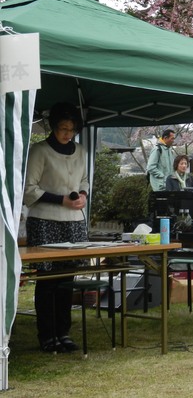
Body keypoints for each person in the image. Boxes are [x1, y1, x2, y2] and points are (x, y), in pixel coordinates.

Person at [23, 102, 89, 353]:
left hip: (73, 223)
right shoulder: (39, 151)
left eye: (71, 129)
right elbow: (30, 189)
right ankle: (47, 334)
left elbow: (84, 180)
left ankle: (63, 332)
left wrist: (82, 195)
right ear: (53, 127)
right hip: (44, 220)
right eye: (63, 128)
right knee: (47, 280)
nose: (67, 133)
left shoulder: (81, 151)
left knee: (67, 280)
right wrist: (61, 199)